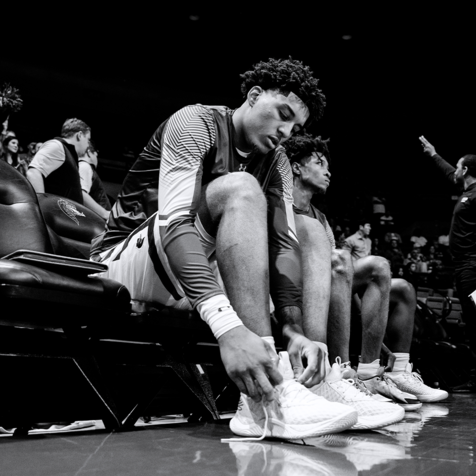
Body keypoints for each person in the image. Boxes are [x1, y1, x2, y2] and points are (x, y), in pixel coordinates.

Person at [89, 58, 359, 439]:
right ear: (254, 95)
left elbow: (284, 246)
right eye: (282, 115)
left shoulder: (278, 162)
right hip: (126, 263)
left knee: (311, 230)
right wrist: (227, 327)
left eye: (295, 128)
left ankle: (314, 378)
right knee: (241, 188)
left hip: (198, 269)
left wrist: (293, 328)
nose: (285, 132)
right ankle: (264, 396)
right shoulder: (194, 122)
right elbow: (174, 225)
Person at [283, 134, 444, 420]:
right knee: (348, 260)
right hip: (294, 290)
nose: (328, 171)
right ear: (296, 167)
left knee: (399, 284)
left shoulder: (320, 218)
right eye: (319, 164)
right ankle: (343, 372)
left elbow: (341, 279)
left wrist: (380, 344)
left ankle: (381, 374)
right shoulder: (278, 207)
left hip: (327, 288)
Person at [419, 136, 476, 395]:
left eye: (458, 166)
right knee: (473, 326)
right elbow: (448, 173)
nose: (454, 170)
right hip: (465, 267)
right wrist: (433, 154)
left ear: (465, 170)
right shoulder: (469, 192)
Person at [27, 118, 109, 220]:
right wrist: (41, 209)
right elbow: (33, 172)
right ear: (79, 135)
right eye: (88, 140)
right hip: (50, 219)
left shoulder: (69, 154)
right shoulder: (57, 145)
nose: (88, 145)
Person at [79, 143, 111, 212]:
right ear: (89, 153)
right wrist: (105, 213)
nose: (97, 157)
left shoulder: (81, 166)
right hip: (96, 217)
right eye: (96, 154)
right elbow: (81, 194)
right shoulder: (85, 166)